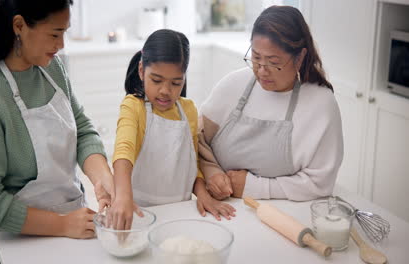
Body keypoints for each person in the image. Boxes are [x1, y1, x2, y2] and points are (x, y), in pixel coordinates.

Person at [0, 0, 114, 263]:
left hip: (73, 229)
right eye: (54, 34)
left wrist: (102, 177)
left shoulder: (53, 70)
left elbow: (81, 129)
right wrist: (61, 224)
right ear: (19, 25)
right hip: (13, 245)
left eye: (64, 33)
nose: (61, 45)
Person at [198, 6, 344, 202]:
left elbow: (320, 183)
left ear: (300, 57)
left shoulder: (320, 104)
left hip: (284, 215)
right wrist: (211, 172)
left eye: (274, 62)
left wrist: (254, 187)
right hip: (223, 209)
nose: (262, 71)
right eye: (256, 58)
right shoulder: (232, 85)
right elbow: (197, 141)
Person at [108, 29, 236, 230]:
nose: (166, 91)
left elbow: (191, 164)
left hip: (181, 212)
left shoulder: (189, 110)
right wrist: (122, 197)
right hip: (138, 214)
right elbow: (123, 150)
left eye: (176, 83)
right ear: (141, 71)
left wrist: (203, 195)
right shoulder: (133, 106)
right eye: (156, 80)